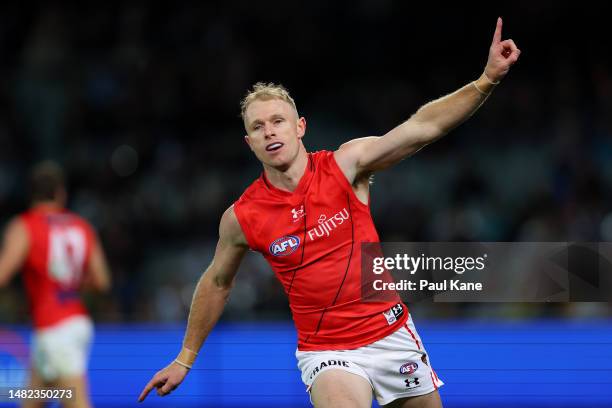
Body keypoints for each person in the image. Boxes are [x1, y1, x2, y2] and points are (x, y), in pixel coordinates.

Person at [139, 18, 520, 408]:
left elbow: (422, 127)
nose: (269, 132)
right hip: (327, 352)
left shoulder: (347, 165)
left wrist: (486, 79)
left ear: (299, 127)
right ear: (249, 141)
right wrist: (185, 359)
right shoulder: (242, 216)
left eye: (277, 121)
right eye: (258, 127)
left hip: (390, 333)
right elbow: (217, 282)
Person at [0, 161, 111, 408]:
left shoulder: (25, 226)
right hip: (72, 322)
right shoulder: (82, 226)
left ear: (30, 192)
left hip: (55, 329)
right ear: (61, 193)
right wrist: (69, 284)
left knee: (77, 402)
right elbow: (102, 281)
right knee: (32, 400)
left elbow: (3, 274)